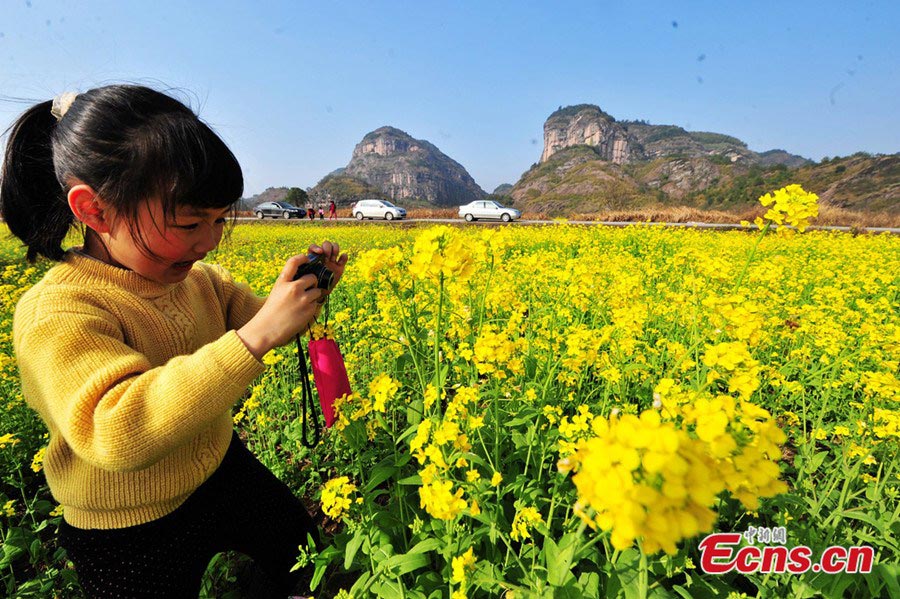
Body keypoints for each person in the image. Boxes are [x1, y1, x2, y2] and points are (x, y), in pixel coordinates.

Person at [0, 84, 349, 598]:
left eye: (218, 220)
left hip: (220, 467)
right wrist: (256, 335)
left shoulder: (201, 279)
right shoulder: (58, 310)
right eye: (189, 222)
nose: (208, 240)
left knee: (303, 552)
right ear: (94, 210)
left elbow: (267, 324)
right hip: (125, 524)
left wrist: (300, 294)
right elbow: (115, 430)